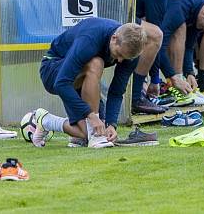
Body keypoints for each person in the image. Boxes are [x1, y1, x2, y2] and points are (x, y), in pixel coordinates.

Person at [31, 18, 145, 149]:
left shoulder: (130, 54)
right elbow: (61, 83)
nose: (119, 61)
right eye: (119, 54)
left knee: (84, 133)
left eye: (125, 58)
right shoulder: (90, 39)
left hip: (80, 78)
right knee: (97, 62)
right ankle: (95, 137)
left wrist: (111, 124)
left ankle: (46, 120)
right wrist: (91, 116)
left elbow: (117, 91)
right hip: (53, 71)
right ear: (114, 38)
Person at [131, 0, 193, 114]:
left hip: (103, 6)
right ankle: (136, 98)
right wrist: (166, 78)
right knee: (155, 34)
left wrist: (155, 78)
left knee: (147, 33)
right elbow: (155, 40)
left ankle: (135, 93)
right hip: (105, 8)